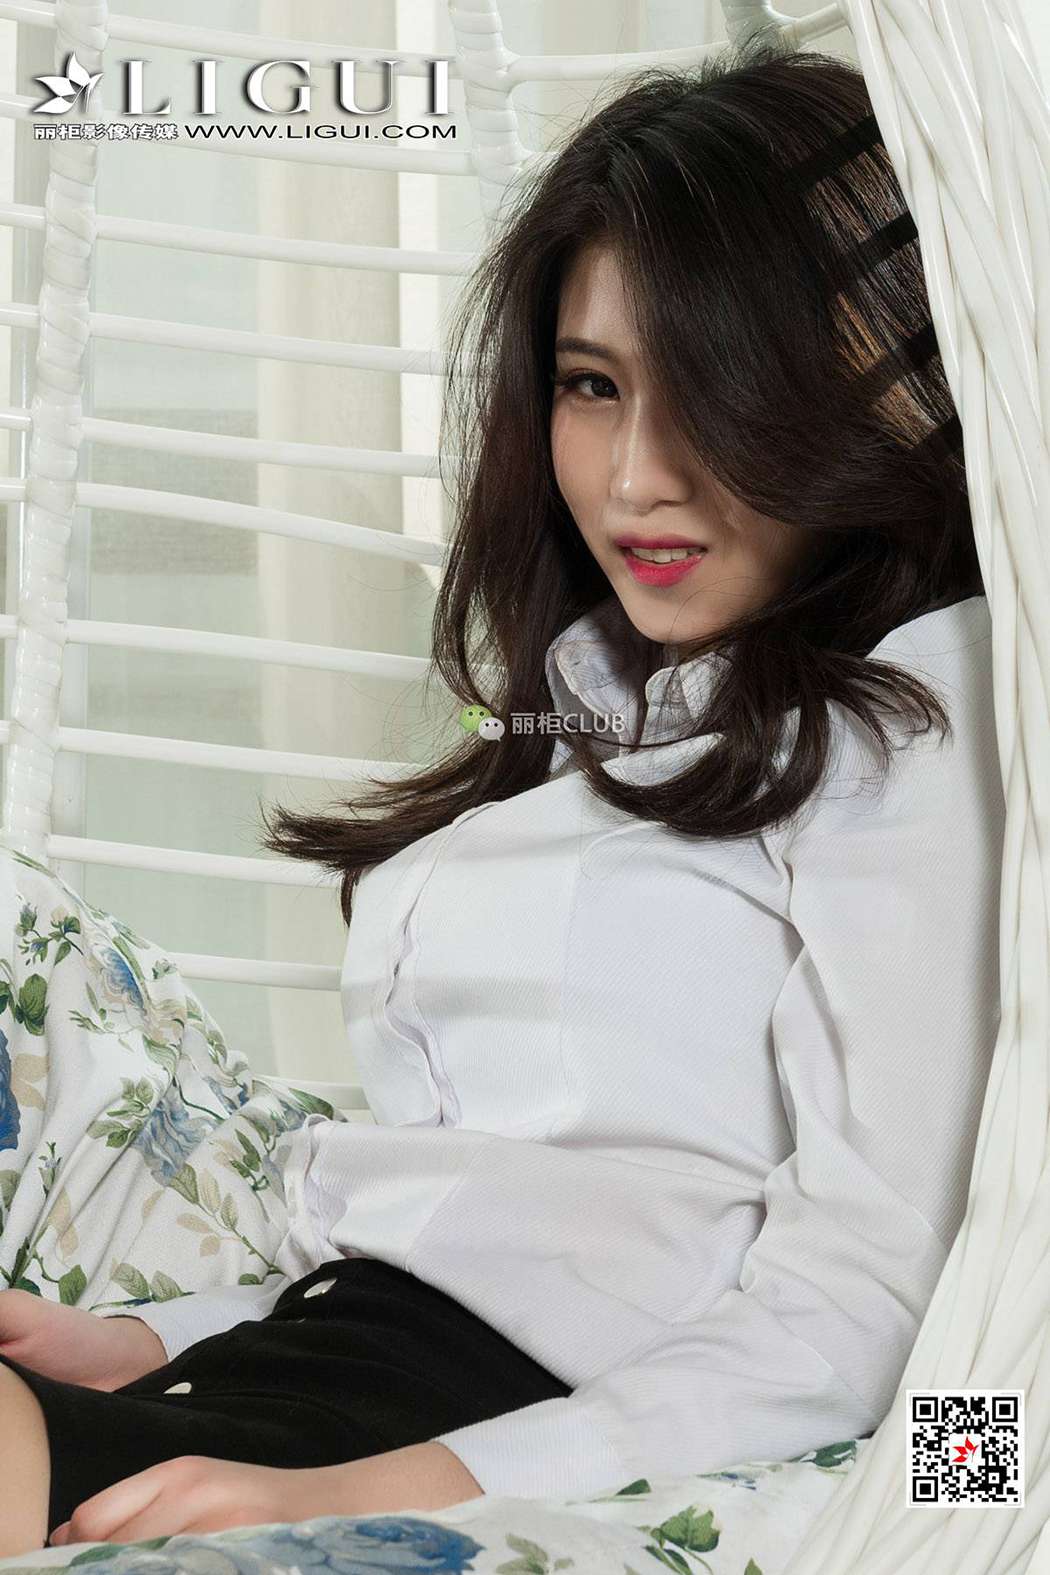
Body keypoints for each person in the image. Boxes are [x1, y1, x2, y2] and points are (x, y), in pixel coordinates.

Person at [0, 42, 1004, 1554]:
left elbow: (882, 1296)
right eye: (593, 386)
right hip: (302, 1371)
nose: (636, 477)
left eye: (719, 390)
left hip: (477, 1438)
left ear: (863, 391)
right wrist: (162, 1337)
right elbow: (503, 1213)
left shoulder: (928, 722)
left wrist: (370, 1494)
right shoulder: (611, 714)